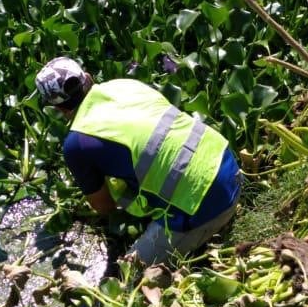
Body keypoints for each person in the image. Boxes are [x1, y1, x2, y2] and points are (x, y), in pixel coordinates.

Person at [35, 56, 242, 266]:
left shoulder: (76, 144)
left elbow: (104, 206)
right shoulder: (124, 85)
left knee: (131, 272)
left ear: (59, 109)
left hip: (212, 202)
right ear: (87, 77)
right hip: (229, 164)